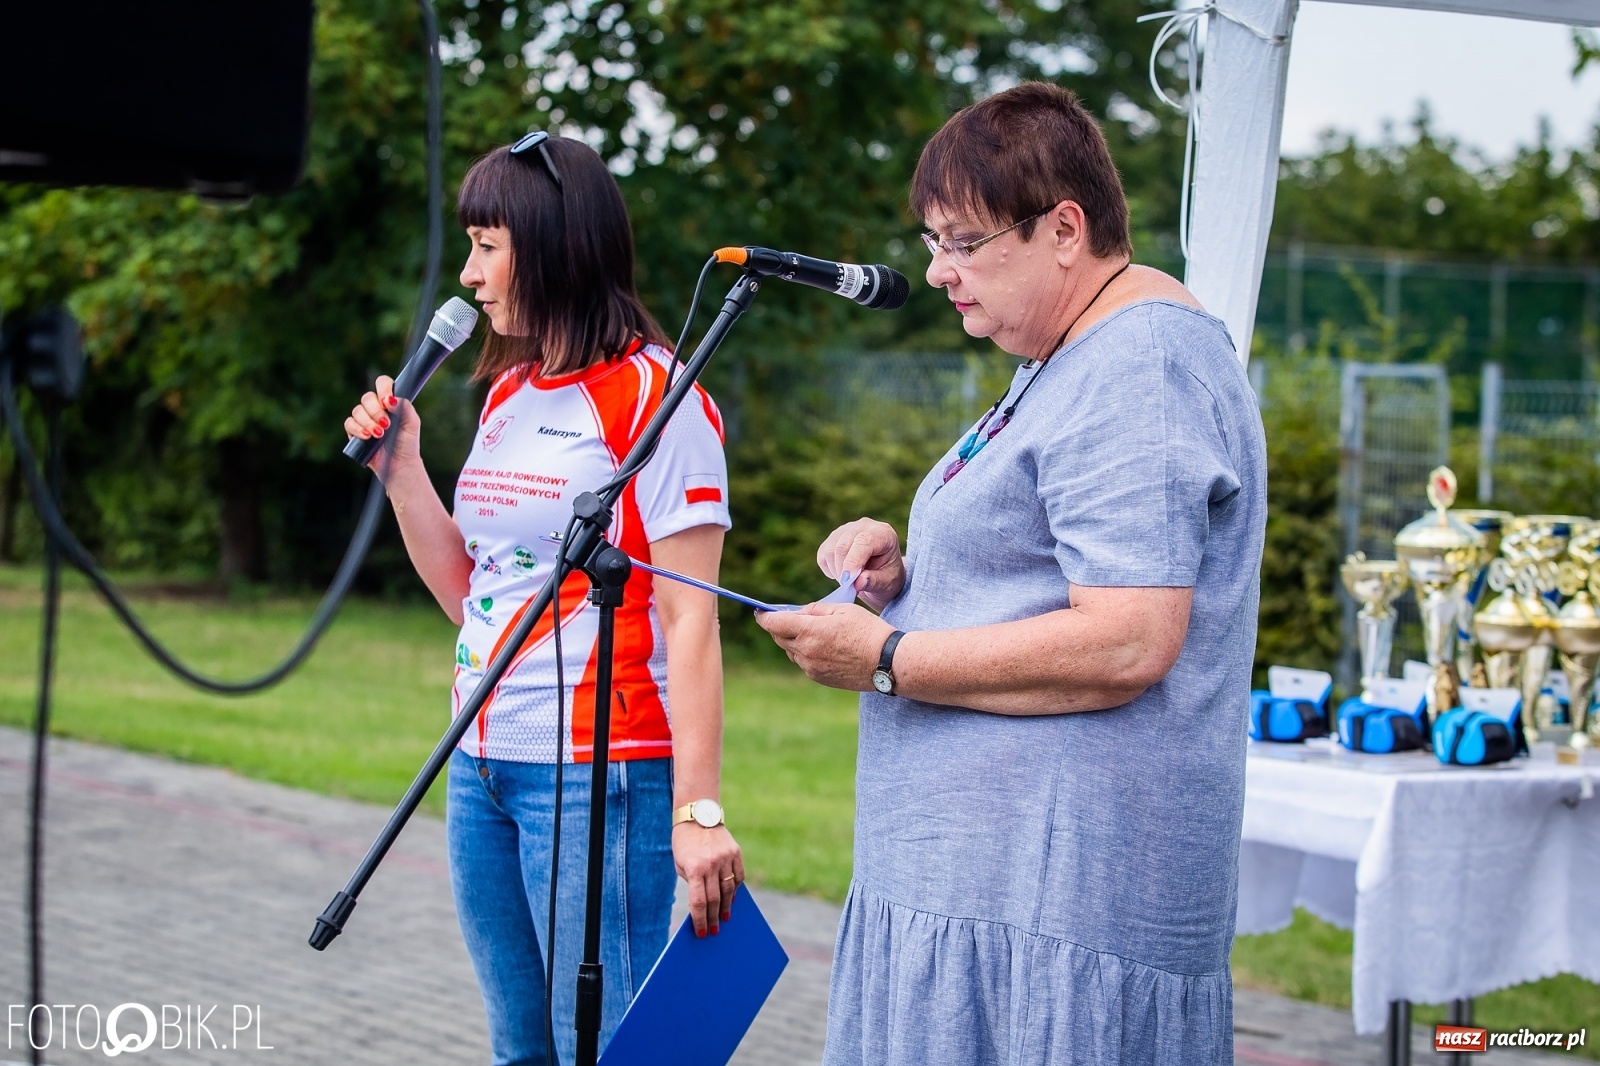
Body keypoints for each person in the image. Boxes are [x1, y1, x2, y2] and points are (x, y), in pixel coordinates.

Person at [757, 82, 1267, 1066]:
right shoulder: (1066, 349)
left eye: (963, 241)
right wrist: (911, 573)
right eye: (930, 240)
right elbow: (1045, 566)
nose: (938, 269)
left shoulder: (1140, 362)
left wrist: (889, 657)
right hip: (988, 900)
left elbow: (1126, 637)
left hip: (1055, 910)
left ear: (1064, 229)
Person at [344, 133, 742, 1066]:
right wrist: (403, 472)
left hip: (600, 774)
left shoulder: (657, 394)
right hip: (481, 763)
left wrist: (699, 812)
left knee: (613, 1050)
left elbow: (692, 618)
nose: (471, 273)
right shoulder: (507, 392)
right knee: (520, 1047)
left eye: (489, 244)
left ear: (556, 240)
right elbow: (472, 597)